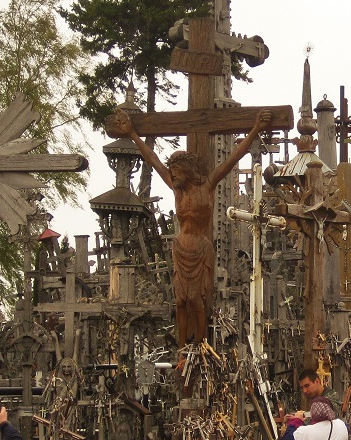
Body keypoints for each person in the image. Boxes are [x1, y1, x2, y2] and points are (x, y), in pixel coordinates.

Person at [109, 107, 272, 344]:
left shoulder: (207, 185)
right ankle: (183, 349)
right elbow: (152, 160)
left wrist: (256, 128)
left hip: (200, 249)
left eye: (176, 172)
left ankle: (200, 347)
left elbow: (234, 157)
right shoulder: (176, 190)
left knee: (197, 300)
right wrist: (133, 133)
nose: (172, 177)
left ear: (187, 171)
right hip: (181, 247)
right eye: (171, 173)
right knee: (180, 301)